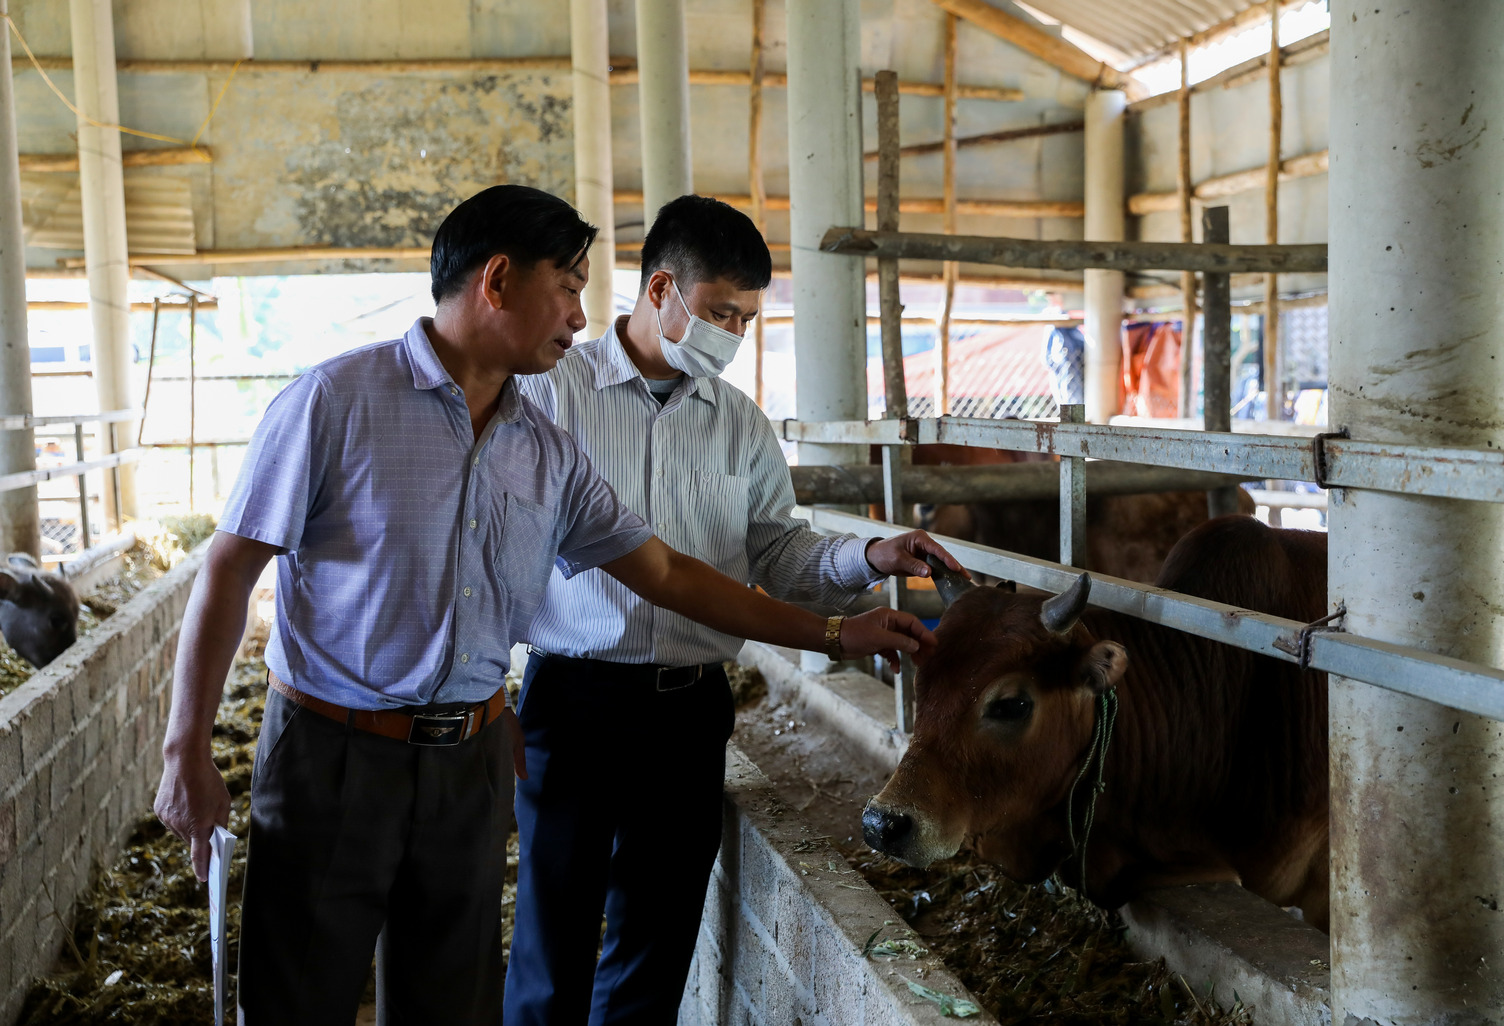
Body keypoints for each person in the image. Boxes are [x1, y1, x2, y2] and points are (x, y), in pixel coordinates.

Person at [151, 185, 935, 1025]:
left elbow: (670, 574)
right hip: (342, 748)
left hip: (475, 752)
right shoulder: (336, 402)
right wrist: (184, 750)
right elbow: (230, 571)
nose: (577, 311)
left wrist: (833, 627)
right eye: (566, 286)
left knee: (453, 999)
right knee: (306, 989)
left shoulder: (546, 448)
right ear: (496, 281)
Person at [506, 194, 966, 1026]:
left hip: (687, 709)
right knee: (552, 943)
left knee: (654, 945)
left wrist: (869, 555)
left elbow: (777, 552)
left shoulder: (742, 427)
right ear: (659, 292)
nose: (734, 335)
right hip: (570, 700)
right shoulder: (551, 394)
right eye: (721, 312)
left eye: (749, 320)